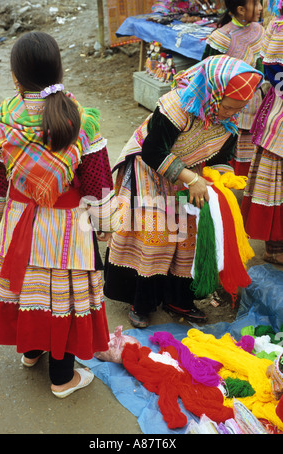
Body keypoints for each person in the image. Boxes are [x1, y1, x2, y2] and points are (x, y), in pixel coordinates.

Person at [0, 32, 120, 397]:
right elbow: (98, 185)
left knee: (28, 289)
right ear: (59, 69)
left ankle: (30, 353)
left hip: (20, 224)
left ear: (15, 78)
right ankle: (62, 379)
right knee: (65, 300)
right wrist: (106, 226)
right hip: (68, 230)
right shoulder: (79, 120)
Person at [104, 55, 263, 328]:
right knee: (155, 235)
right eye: (227, 106)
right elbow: (153, 151)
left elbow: (219, 158)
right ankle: (140, 302)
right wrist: (192, 178)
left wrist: (221, 181)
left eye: (240, 107)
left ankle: (178, 300)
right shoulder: (177, 106)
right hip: (149, 168)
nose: (231, 113)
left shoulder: (227, 122)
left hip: (188, 176)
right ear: (214, 93)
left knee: (188, 235)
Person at [202, 0, 265, 176]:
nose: (261, 8)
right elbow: (206, 73)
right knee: (223, 153)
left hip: (253, 106)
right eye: (257, 4)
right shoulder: (221, 37)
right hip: (225, 110)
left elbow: (262, 69)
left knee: (248, 152)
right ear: (240, 10)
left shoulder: (259, 31)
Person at [241, 1, 283, 266]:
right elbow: (273, 69)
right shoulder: (280, 26)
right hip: (280, 107)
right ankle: (275, 247)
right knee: (276, 179)